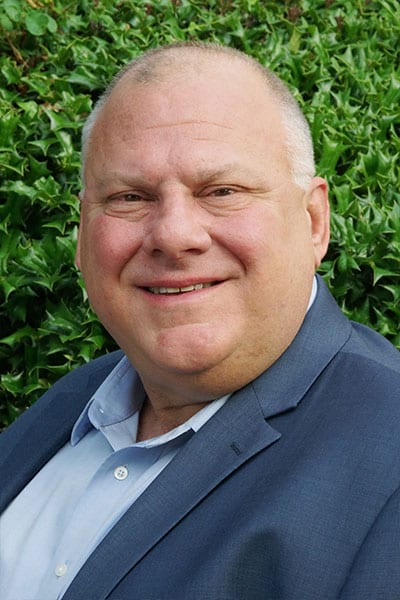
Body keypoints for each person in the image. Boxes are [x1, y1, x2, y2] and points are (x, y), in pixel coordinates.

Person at [1, 41, 400, 600]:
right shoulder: (69, 406)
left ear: (313, 222)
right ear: (82, 236)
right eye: (130, 197)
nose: (173, 235)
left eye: (222, 191)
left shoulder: (388, 459)